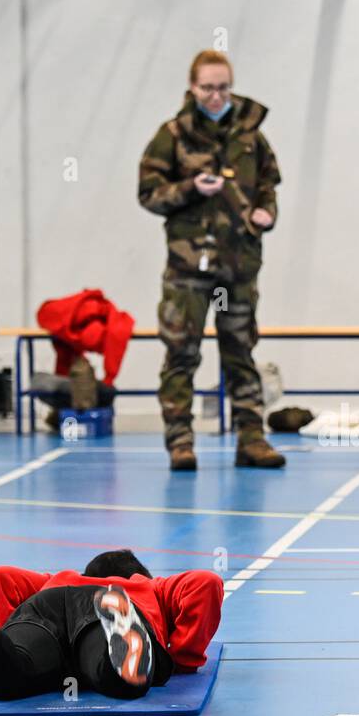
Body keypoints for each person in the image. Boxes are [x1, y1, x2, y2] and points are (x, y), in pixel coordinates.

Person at [139, 49, 285, 472]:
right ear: (192, 87)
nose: (217, 96)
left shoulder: (250, 136)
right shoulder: (173, 135)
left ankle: (251, 439)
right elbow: (149, 193)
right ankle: (180, 442)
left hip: (238, 266)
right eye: (208, 88)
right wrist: (189, 189)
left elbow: (268, 185)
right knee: (181, 355)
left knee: (241, 352)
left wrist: (266, 213)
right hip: (189, 269)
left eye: (223, 87)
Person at [0, 549, 223, 701]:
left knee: (9, 678)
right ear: (139, 574)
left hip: (47, 605)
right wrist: (182, 659)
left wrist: (6, 633)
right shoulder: (149, 587)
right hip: (104, 608)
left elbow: (1, 576)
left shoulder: (59, 577)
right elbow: (205, 584)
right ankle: (120, 635)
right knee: (118, 676)